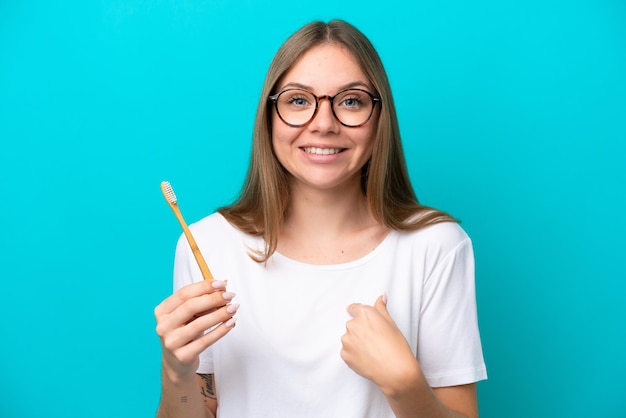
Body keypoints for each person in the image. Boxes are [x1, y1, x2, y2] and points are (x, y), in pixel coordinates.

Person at [154, 19, 487, 418]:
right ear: (269, 115)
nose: (324, 123)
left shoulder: (436, 246)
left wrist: (404, 385)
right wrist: (177, 374)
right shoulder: (208, 244)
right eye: (298, 100)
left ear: (380, 116)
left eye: (350, 101)